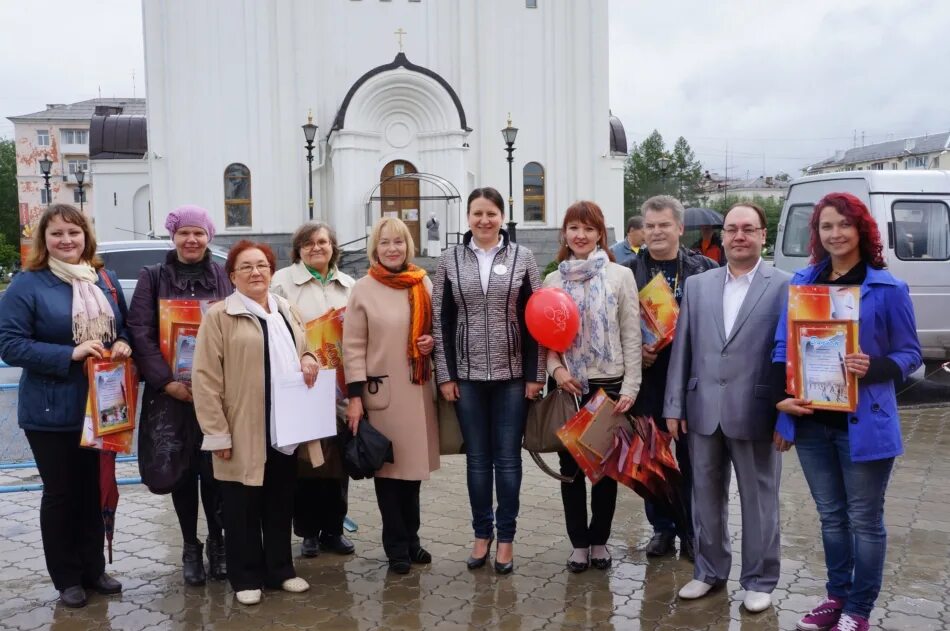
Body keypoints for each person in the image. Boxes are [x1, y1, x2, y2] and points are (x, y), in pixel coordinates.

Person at [773, 193, 921, 631]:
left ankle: (859, 610)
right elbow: (784, 349)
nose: (835, 233)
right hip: (813, 422)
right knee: (831, 517)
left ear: (860, 229)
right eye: (826, 226)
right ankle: (835, 597)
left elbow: (910, 353)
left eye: (843, 225)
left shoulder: (887, 287)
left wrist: (875, 366)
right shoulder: (803, 283)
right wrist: (782, 412)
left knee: (864, 520)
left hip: (865, 426)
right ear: (816, 234)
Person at [0, 204, 131, 608]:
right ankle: (67, 577)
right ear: (44, 240)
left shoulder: (104, 279)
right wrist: (69, 354)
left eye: (73, 233)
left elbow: (120, 325)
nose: (66, 240)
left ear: (86, 236)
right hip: (51, 411)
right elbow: (10, 344)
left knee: (94, 491)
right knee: (61, 494)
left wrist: (123, 343)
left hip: (102, 405)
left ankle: (94, 569)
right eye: (57, 234)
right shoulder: (28, 284)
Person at [664, 202, 790, 613]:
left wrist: (785, 415)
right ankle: (709, 571)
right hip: (702, 407)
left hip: (756, 411)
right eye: (732, 229)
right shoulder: (700, 285)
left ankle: (759, 578)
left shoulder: (784, 285)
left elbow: (792, 356)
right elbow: (682, 347)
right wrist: (673, 405)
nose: (739, 236)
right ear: (722, 236)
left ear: (762, 235)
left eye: (748, 229)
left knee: (759, 499)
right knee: (704, 496)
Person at [192, 240, 322, 606]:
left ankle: (280, 569)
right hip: (242, 426)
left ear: (271, 270)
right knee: (241, 505)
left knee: (280, 501)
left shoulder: (286, 309)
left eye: (262, 265)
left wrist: (309, 357)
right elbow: (205, 380)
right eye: (246, 267)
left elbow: (304, 346)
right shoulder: (220, 316)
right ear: (232, 276)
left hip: (285, 426)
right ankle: (245, 575)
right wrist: (217, 433)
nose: (256, 272)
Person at [432, 186, 546, 574]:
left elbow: (538, 319)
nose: (484, 220)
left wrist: (535, 374)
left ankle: (507, 539)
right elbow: (441, 320)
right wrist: (445, 375)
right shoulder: (449, 259)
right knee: (478, 461)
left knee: (508, 460)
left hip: (513, 377)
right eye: (477, 213)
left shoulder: (523, 257)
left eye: (491, 214)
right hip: (465, 379)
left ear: (502, 217)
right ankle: (482, 534)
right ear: (468, 217)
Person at [127, 205, 231, 586]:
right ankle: (190, 544)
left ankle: (219, 543)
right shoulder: (153, 277)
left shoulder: (223, 278)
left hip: (215, 395)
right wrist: (165, 381)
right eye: (184, 233)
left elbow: (235, 327)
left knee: (217, 471)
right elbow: (139, 331)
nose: (191, 240)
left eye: (199, 233)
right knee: (182, 472)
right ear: (173, 236)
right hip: (170, 395)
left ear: (209, 238)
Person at [543, 201, 642, 573]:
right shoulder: (553, 281)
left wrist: (630, 386)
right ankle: (578, 544)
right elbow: (548, 343)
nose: (580, 235)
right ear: (565, 234)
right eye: (573, 228)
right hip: (569, 387)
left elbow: (631, 335)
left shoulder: (620, 276)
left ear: (600, 233)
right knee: (569, 470)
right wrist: (556, 372)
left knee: (603, 471)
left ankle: (599, 540)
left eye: (588, 229)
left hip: (609, 386)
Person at [342, 217, 440, 574]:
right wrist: (354, 399)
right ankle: (395, 545)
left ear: (408, 247)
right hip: (380, 394)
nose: (393, 248)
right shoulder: (363, 289)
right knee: (389, 475)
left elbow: (436, 330)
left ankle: (412, 540)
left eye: (399, 242)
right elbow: (351, 347)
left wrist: (431, 342)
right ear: (375, 249)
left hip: (416, 392)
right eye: (385, 243)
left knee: (411, 475)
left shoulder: (422, 282)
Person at [626, 195, 717, 561]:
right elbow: (614, 327)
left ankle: (692, 532)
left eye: (664, 225)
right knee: (653, 461)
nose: (656, 232)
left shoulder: (705, 269)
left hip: (693, 381)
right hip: (648, 380)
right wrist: (636, 352)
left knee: (694, 461)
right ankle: (661, 529)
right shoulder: (628, 271)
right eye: (650, 225)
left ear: (679, 228)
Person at [271, 221, 356, 559]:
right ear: (299, 249)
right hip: (302, 384)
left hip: (340, 384)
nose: (316, 247)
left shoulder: (349, 285)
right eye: (308, 243)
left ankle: (333, 529)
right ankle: (307, 532)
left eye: (322, 241)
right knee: (306, 462)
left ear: (333, 246)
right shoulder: (281, 283)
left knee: (337, 461)